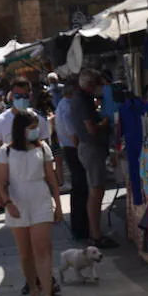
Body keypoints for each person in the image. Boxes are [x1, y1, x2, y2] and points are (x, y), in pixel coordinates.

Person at [0, 109, 63, 296]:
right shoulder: (5, 151)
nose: (35, 132)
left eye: (36, 128)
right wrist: (8, 203)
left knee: (42, 248)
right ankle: (33, 288)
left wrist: (58, 205)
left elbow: (52, 179)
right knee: (25, 252)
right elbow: (2, 181)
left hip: (40, 198)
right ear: (20, 129)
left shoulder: (43, 149)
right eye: (31, 128)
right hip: (17, 200)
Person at [75, 68, 117, 249]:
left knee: (96, 190)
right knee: (96, 191)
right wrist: (105, 122)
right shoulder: (83, 100)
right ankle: (96, 235)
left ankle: (95, 232)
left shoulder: (81, 98)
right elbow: (91, 128)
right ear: (91, 85)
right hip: (91, 148)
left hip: (89, 147)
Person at [55, 80, 90, 241]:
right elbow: (73, 134)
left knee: (79, 189)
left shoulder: (63, 104)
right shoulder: (67, 107)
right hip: (73, 150)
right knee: (81, 189)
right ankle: (81, 227)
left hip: (70, 149)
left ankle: (81, 226)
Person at [0, 79, 49, 168]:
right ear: (11, 95)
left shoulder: (39, 120)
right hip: (11, 176)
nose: (22, 99)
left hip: (37, 174)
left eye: (25, 95)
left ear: (30, 95)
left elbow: (46, 153)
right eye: (18, 96)